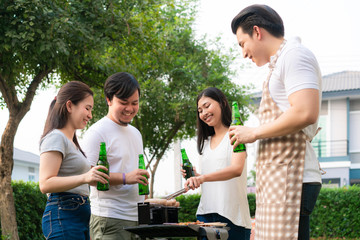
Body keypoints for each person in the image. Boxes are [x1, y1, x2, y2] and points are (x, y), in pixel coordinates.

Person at [230, 4, 322, 240]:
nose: (243, 53)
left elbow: (305, 112)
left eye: (242, 44)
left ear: (257, 32)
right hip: (280, 178)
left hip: (292, 177)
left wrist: (254, 133)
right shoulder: (280, 62)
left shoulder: (294, 55)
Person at [81, 72, 150, 240]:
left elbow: (137, 173)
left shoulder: (136, 133)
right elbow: (89, 177)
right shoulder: (97, 132)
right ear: (108, 100)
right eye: (123, 102)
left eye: (135, 103)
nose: (130, 108)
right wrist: (126, 177)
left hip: (137, 218)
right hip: (110, 219)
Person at [39, 81, 109, 240]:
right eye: (87, 108)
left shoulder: (72, 143)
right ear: (70, 106)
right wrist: (85, 177)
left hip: (78, 214)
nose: (90, 115)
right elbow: (45, 184)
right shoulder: (55, 137)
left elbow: (78, 179)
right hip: (63, 214)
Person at [183, 87, 252, 240]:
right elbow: (211, 177)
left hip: (231, 215)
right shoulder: (206, 143)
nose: (203, 113)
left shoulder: (236, 134)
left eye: (207, 106)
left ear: (222, 103)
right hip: (206, 215)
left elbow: (236, 169)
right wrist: (196, 177)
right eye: (200, 110)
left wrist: (203, 178)